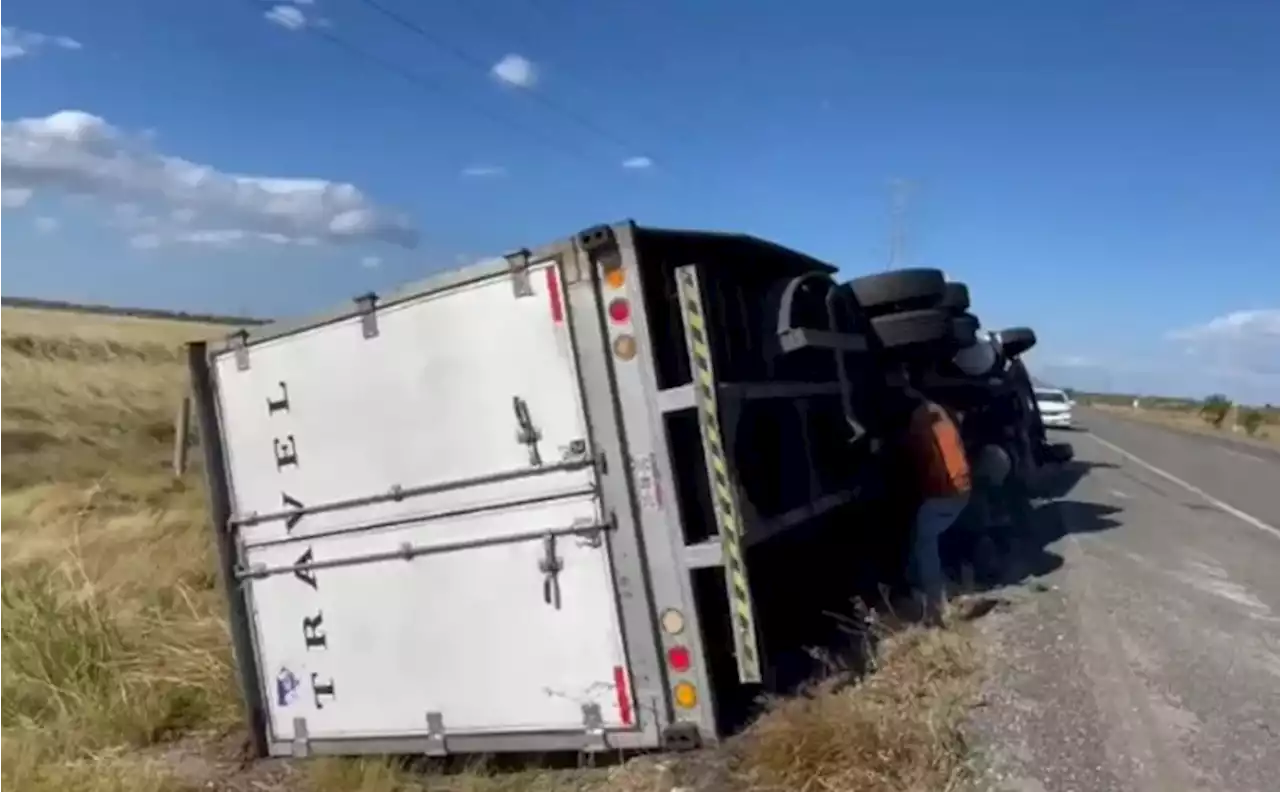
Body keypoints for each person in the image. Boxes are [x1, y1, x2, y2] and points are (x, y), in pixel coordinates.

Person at [900, 383, 973, 624]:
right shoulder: (940, 412)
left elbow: (911, 450)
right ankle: (918, 584)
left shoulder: (920, 419)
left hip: (945, 491)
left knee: (925, 542)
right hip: (960, 486)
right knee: (925, 534)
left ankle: (935, 604)